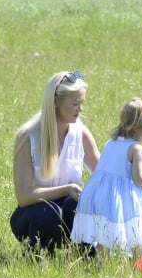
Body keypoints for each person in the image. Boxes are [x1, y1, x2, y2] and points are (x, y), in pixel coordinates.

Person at [70, 97, 142, 272]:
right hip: (121, 196)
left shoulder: (111, 142)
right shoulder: (136, 148)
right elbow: (137, 177)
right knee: (135, 230)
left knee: (103, 231)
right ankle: (141, 264)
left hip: (97, 193)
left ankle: (101, 265)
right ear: (139, 126)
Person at [10, 71, 100, 253]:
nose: (80, 109)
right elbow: (24, 196)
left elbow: (103, 176)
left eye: (81, 103)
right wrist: (66, 189)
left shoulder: (81, 133)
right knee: (47, 212)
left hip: (68, 208)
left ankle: (86, 256)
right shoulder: (28, 136)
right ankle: (41, 256)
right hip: (34, 213)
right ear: (56, 101)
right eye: (75, 104)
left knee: (77, 205)